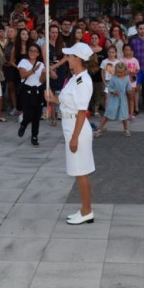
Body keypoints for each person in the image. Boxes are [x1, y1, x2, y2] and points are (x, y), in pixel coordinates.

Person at [46, 42, 96, 225]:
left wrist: (74, 138)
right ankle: (84, 209)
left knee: (81, 171)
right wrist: (53, 100)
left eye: (70, 56)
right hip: (70, 124)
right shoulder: (76, 78)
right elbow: (68, 101)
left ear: (78, 59)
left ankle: (87, 211)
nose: (67, 59)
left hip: (78, 128)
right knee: (79, 171)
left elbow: (82, 111)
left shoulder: (83, 80)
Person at [17, 44, 46, 146]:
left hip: (38, 90)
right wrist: (34, 70)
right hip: (27, 90)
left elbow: (42, 80)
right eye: (30, 51)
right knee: (28, 114)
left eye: (35, 51)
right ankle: (23, 125)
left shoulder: (41, 64)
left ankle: (34, 136)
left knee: (37, 116)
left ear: (38, 53)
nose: (32, 53)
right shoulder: (23, 62)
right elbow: (22, 75)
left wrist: (43, 73)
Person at [94, 60, 132, 137]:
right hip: (113, 99)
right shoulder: (113, 78)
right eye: (117, 72)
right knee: (108, 112)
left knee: (124, 114)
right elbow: (110, 87)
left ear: (124, 71)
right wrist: (113, 91)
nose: (119, 74)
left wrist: (130, 92)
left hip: (123, 98)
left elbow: (128, 87)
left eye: (121, 72)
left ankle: (126, 129)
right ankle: (100, 129)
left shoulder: (127, 78)